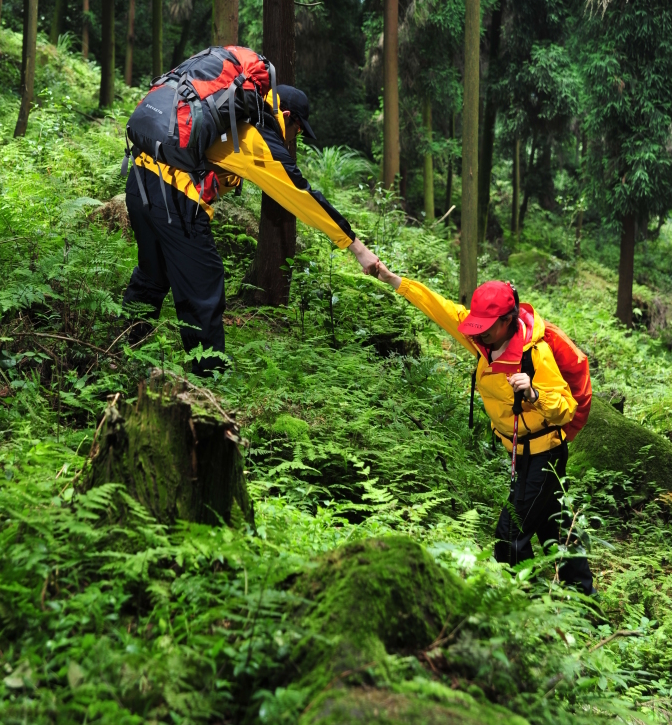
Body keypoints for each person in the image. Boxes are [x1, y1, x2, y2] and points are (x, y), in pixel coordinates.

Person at [364, 261, 594, 594]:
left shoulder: (535, 354)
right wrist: (393, 280)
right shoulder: (482, 340)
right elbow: (440, 309)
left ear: (507, 321)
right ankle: (584, 596)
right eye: (477, 325)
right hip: (520, 454)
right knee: (553, 525)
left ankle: (522, 604)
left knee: (510, 535)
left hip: (546, 454)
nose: (478, 331)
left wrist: (534, 393)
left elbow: (565, 409)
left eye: (487, 326)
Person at [123, 80, 378, 371]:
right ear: (286, 117)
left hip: (140, 177)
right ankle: (209, 378)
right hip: (175, 200)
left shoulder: (235, 110)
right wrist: (357, 247)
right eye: (296, 131)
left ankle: (125, 350)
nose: (293, 139)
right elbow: (303, 196)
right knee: (203, 285)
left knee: (152, 275)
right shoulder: (258, 135)